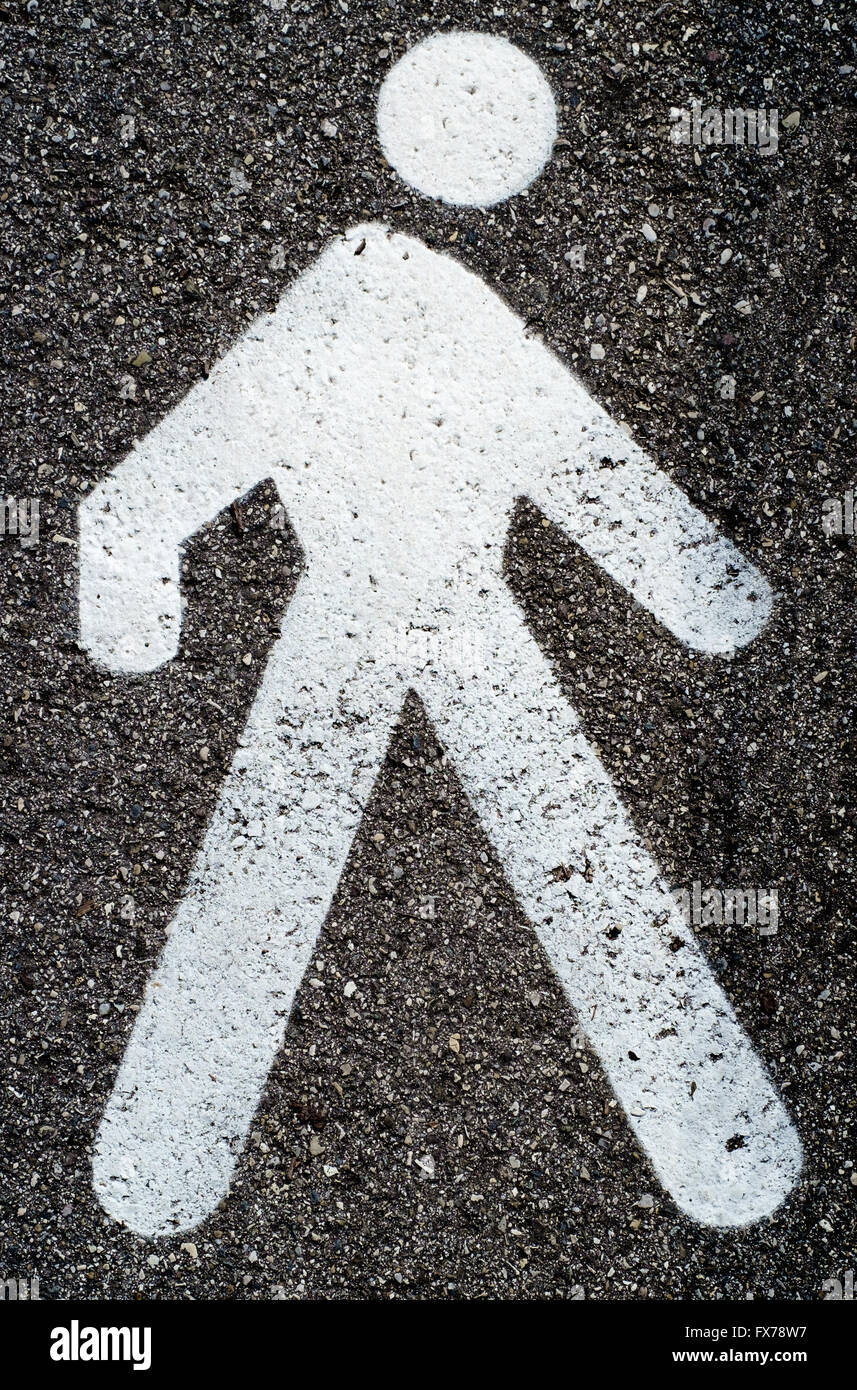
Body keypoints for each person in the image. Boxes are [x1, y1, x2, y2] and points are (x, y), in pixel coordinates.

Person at [79, 32, 801, 1237]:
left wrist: (135, 620)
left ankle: (157, 1161)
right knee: (581, 861)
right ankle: (719, 1142)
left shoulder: (309, 343)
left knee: (265, 876)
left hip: (353, 625)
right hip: (461, 623)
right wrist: (713, 602)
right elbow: (598, 479)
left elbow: (133, 505)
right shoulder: (460, 334)